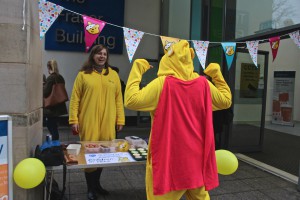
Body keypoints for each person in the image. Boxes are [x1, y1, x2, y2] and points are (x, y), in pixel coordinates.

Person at [124, 40, 232, 200]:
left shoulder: (162, 84)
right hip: (196, 160)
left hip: (169, 161)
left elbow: (131, 100)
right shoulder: (203, 84)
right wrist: (216, 74)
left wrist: (138, 69)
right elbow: (225, 100)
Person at [68, 44, 125, 200]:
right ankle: (90, 188)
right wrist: (73, 119)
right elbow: (75, 99)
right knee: (90, 154)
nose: (102, 56)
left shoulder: (113, 75)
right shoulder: (83, 75)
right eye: (99, 53)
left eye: (105, 54)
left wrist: (120, 119)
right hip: (88, 120)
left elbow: (118, 99)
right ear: (92, 55)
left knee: (103, 154)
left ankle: (97, 185)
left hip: (108, 121)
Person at [43, 60, 68, 141]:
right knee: (54, 126)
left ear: (49, 67)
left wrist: (43, 85)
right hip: (59, 107)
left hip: (51, 108)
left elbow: (46, 93)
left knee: (51, 126)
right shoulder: (60, 77)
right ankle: (55, 142)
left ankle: (55, 144)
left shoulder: (51, 78)